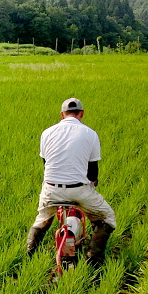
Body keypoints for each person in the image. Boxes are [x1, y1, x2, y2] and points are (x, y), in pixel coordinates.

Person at [26, 97, 116, 266]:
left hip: (51, 189)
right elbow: (92, 170)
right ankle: (92, 258)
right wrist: (93, 181)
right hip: (79, 191)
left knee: (42, 218)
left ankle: (29, 254)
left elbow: (46, 164)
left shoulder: (47, 132)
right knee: (107, 217)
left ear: (62, 115)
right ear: (81, 114)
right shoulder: (90, 133)